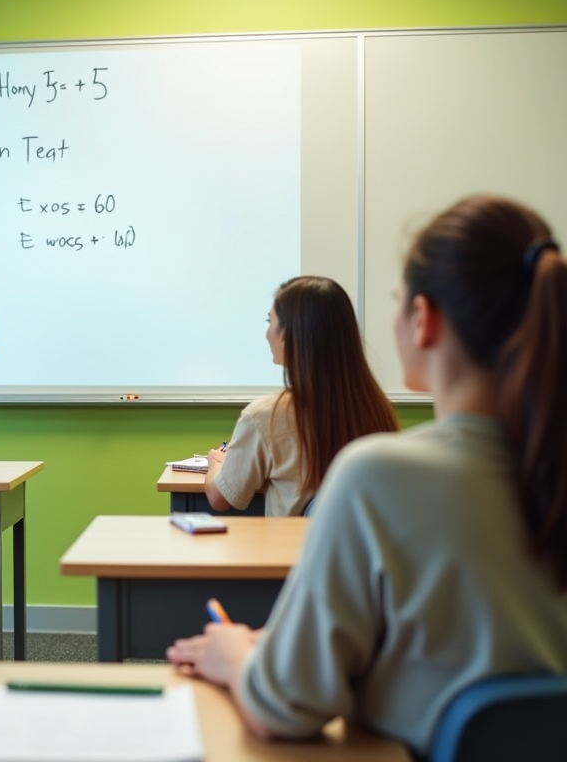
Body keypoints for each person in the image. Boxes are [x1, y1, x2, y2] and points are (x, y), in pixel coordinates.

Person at [168, 194, 567, 758]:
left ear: (424, 321)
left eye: (397, 302)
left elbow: (284, 707)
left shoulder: (379, 474)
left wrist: (234, 651)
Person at [205, 275, 398, 516]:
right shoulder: (376, 408)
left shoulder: (264, 417)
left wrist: (215, 464)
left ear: (287, 335)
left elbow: (219, 498)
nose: (267, 333)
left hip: (293, 553)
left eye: (270, 321)